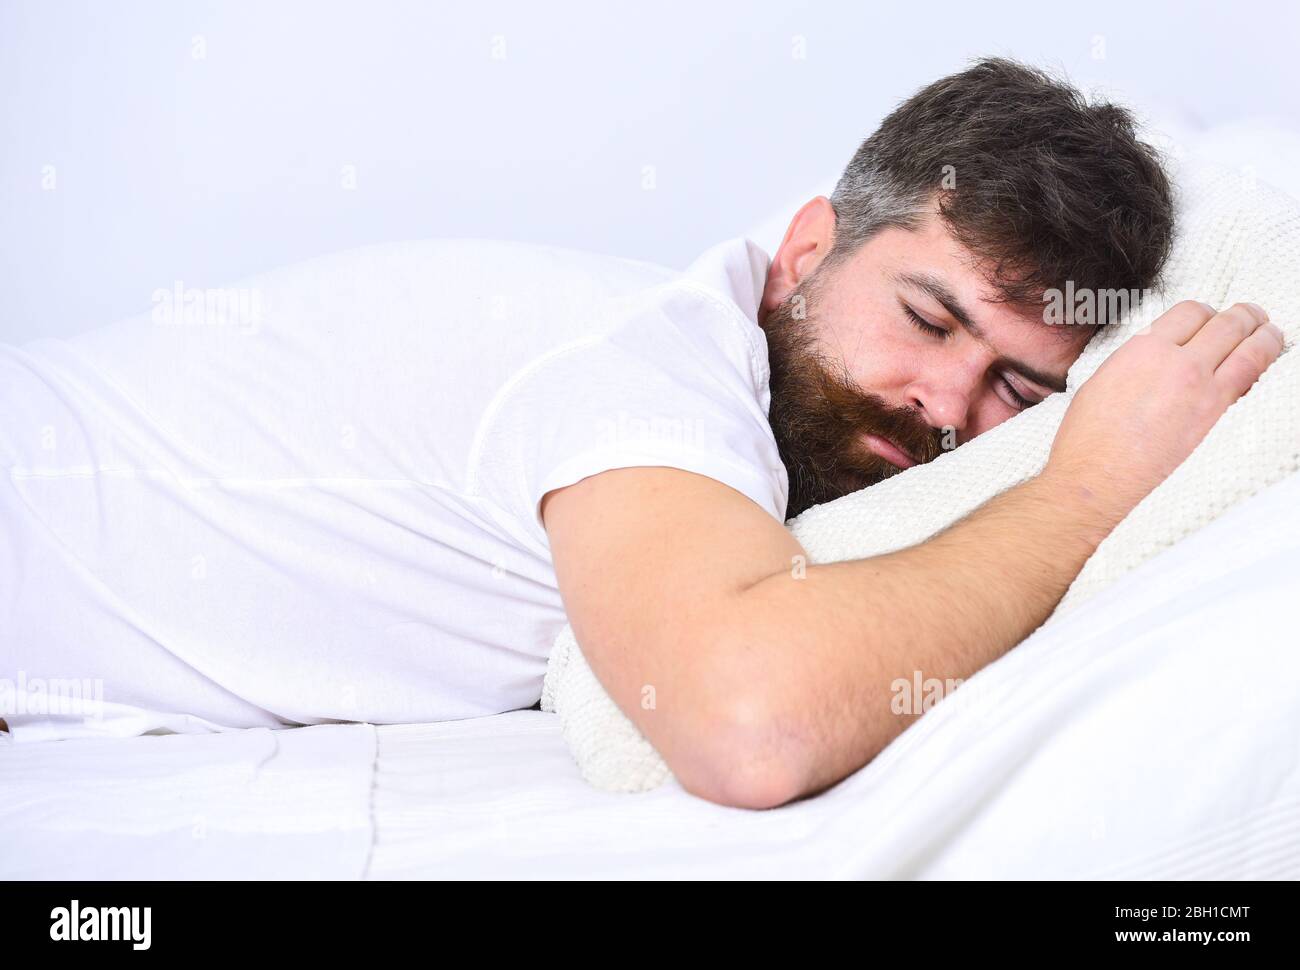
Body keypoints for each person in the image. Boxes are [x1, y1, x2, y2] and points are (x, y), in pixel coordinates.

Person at [0, 59, 1281, 810]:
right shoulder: (644, 373)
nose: (947, 408)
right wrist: (1082, 484)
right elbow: (749, 721)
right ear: (805, 252)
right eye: (928, 318)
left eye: (1018, 390)